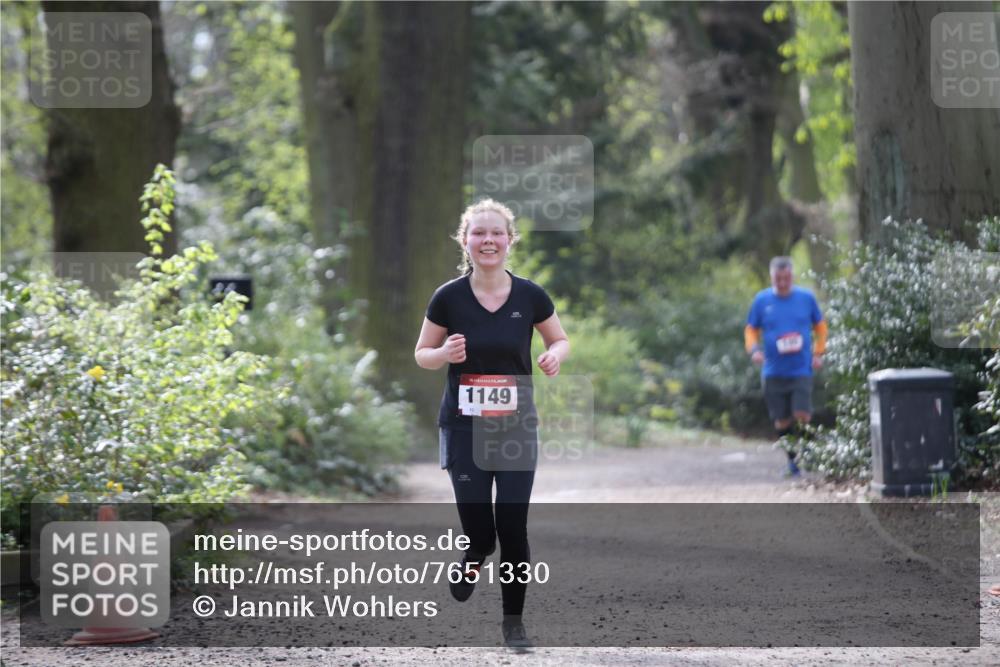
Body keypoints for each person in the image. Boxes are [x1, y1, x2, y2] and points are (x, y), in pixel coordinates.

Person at [414, 199, 570, 648]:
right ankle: (476, 551)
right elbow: (421, 353)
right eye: (479, 233)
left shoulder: (530, 296)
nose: (488, 240)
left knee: (514, 526)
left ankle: (513, 622)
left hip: (516, 427)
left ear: (509, 240)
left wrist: (553, 356)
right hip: (464, 428)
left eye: (496, 233)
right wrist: (443, 355)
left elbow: (559, 339)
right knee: (481, 529)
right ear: (465, 241)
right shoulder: (448, 297)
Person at [744, 256, 827, 477]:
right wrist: (754, 350)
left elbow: (820, 326)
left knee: (802, 414)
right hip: (773, 370)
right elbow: (751, 329)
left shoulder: (806, 298)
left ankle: (807, 455)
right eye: (778, 278)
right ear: (772, 277)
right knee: (782, 420)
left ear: (792, 276)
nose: (782, 282)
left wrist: (819, 352)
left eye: (786, 277)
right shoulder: (762, 300)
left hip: (800, 368)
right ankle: (792, 463)